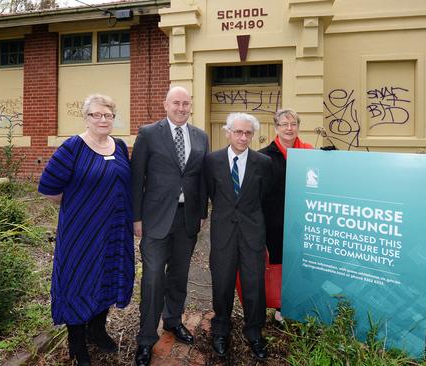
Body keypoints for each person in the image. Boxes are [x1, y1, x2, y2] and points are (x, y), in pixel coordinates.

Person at [38, 94, 134, 366]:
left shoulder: (120, 146)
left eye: (108, 115)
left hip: (115, 231)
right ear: (86, 117)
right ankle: (77, 343)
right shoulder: (72, 148)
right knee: (78, 282)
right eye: (96, 115)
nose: (102, 119)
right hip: (81, 233)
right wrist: (83, 206)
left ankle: (98, 330)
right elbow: (48, 189)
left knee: (107, 277)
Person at [131, 86, 209, 366]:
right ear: (165, 104)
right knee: (152, 279)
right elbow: (136, 177)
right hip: (154, 219)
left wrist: (201, 212)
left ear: (191, 106)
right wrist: (136, 217)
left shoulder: (201, 136)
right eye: (176, 102)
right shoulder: (149, 134)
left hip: (186, 218)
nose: (181, 107)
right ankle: (145, 338)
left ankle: (173, 321)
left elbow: (201, 179)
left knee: (179, 275)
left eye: (186, 103)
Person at [204, 112, 273, 361]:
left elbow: (263, 196)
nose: (243, 137)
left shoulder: (263, 163)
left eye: (248, 133)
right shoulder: (211, 161)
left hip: (252, 232)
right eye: (238, 132)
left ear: (253, 135)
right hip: (223, 232)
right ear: (228, 132)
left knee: (254, 283)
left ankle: (254, 332)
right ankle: (221, 329)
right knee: (221, 282)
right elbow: (212, 194)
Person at [259, 109, 313, 323]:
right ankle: (281, 308)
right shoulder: (264, 156)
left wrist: (329, 158)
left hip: (303, 220)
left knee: (302, 263)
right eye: (284, 124)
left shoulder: (310, 152)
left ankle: (301, 305)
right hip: (275, 222)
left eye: (293, 124)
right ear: (276, 128)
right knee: (281, 264)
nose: (289, 128)